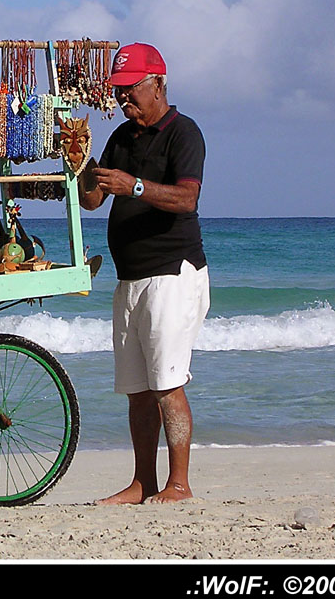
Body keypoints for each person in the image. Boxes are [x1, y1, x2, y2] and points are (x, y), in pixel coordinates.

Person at [78, 42, 210, 505]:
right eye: (118, 92)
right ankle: (143, 482)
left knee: (166, 382)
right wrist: (81, 163)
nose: (123, 100)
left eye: (131, 89)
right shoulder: (121, 137)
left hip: (173, 273)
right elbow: (91, 201)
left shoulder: (184, 133)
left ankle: (180, 484)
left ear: (158, 83)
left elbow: (187, 199)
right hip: (129, 277)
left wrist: (133, 185)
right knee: (137, 390)